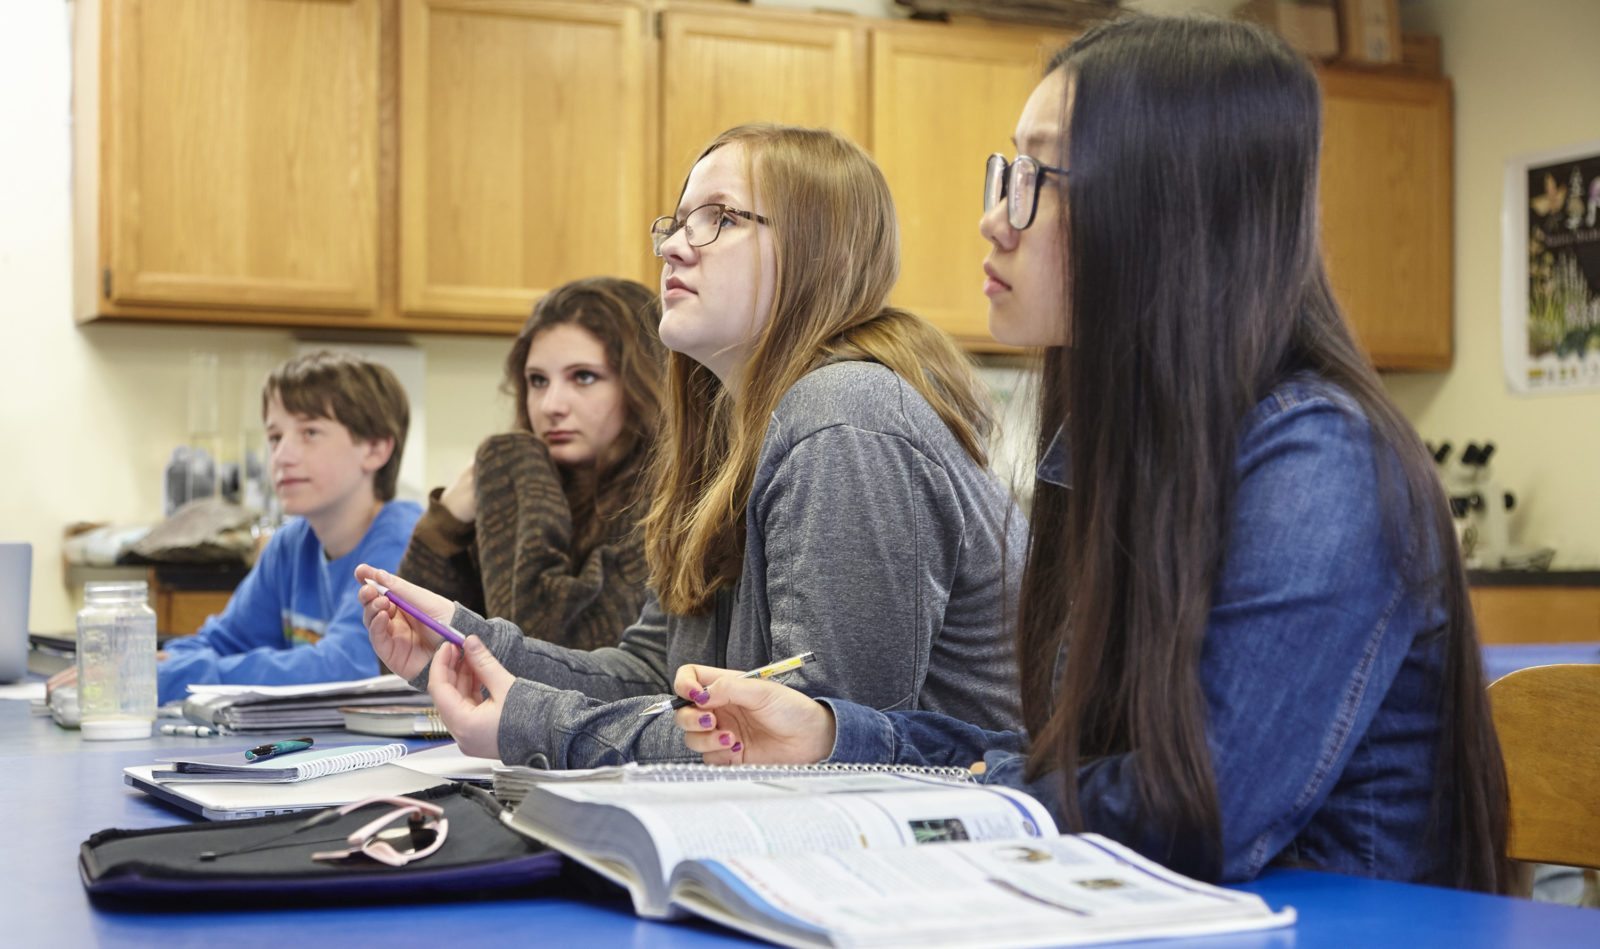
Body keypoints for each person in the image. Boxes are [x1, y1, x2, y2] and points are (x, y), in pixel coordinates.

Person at [668, 16, 1513, 894]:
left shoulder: (1323, 463)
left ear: (1169, 208)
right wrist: (836, 738)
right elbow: (1061, 765)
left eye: (1040, 178)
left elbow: (1188, 812)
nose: (995, 219)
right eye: (1008, 171)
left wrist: (949, 795)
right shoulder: (1107, 454)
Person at [358, 124, 1025, 769]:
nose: (675, 247)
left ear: (822, 251)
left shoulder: (844, 414)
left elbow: (811, 745)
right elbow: (654, 672)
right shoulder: (725, 439)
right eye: (677, 223)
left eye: (721, 218)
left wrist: (536, 723)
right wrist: (469, 646)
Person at [47, 351, 421, 705]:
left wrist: (168, 678)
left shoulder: (407, 541)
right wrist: (137, 667)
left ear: (375, 448)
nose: (282, 456)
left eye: (309, 433)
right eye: (275, 437)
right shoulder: (291, 545)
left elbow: (345, 666)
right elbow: (223, 641)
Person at [398, 277, 663, 651]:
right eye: (537, 381)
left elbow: (550, 659)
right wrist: (445, 528)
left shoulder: (670, 500)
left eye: (584, 377)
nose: (550, 405)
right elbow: (411, 647)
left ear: (644, 382)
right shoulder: (537, 486)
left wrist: (513, 463)